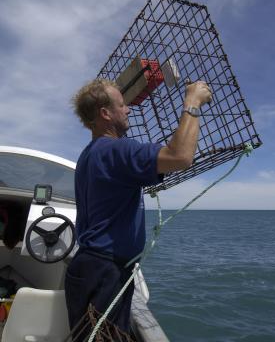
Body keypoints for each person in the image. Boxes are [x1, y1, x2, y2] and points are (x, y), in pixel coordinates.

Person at [65, 78, 212, 339]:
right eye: (122, 105)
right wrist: (193, 102)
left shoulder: (90, 154)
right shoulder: (117, 150)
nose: (128, 109)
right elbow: (180, 157)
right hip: (104, 274)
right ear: (105, 114)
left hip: (89, 269)